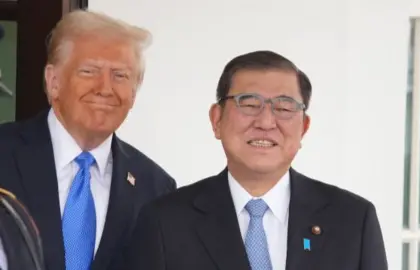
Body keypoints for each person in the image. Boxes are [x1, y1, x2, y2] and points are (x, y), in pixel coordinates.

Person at [124, 50, 388, 269]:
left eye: (284, 108)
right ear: (217, 119)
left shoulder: (352, 220)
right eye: (249, 104)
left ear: (304, 128)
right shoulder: (165, 221)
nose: (265, 122)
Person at [0, 9, 176, 270]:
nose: (105, 88)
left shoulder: (155, 188)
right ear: (53, 81)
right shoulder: (4, 152)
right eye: (89, 71)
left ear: (134, 92)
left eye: (120, 76)